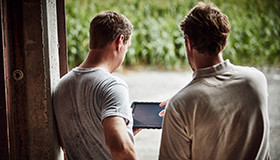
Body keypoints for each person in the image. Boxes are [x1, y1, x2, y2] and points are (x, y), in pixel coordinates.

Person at [159, 2, 270, 160]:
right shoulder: (256, 80)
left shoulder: (180, 107)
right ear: (224, 43)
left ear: (189, 42)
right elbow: (225, 97)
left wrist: (183, 103)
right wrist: (187, 102)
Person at [53, 11, 140, 160]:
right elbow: (119, 146)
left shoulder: (61, 85)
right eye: (127, 47)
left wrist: (124, 128)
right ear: (119, 42)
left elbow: (66, 142)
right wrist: (122, 138)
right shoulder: (113, 85)